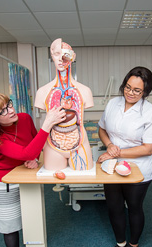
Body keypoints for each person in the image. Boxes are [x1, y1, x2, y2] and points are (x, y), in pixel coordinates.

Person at [0, 92, 66, 247]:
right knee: (10, 226)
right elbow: (27, 151)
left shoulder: (25, 118)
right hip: (6, 182)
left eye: (8, 105)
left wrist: (33, 158)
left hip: (27, 176)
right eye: (2, 112)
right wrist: (47, 123)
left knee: (32, 218)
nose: (10, 111)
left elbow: (35, 143)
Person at [97, 66, 152, 247]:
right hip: (112, 166)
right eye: (127, 87)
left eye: (137, 90)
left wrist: (117, 152)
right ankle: (120, 244)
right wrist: (109, 145)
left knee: (134, 206)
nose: (130, 93)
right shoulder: (113, 104)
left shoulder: (150, 112)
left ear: (145, 92)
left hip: (138, 169)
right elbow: (102, 129)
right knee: (114, 206)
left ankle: (133, 246)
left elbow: (149, 148)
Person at [35, 38, 94, 171]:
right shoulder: (42, 92)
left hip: (80, 142)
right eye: (57, 54)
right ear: (52, 56)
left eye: (65, 55)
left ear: (72, 57)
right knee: (52, 177)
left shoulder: (85, 91)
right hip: (52, 144)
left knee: (83, 178)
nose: (61, 59)